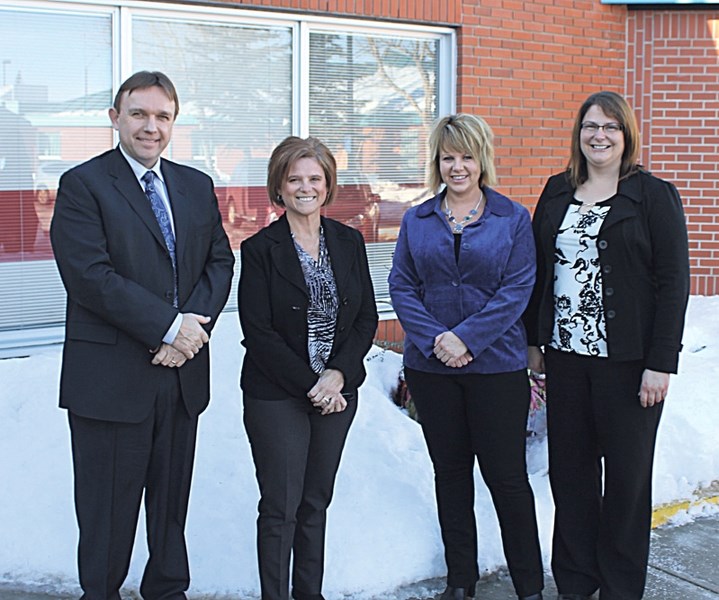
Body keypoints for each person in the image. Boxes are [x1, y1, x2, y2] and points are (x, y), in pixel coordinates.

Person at [50, 71, 235, 600]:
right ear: (115, 118)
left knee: (170, 511)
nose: (150, 127)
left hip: (180, 378)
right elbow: (90, 277)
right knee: (107, 515)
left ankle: (167, 592)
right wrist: (168, 326)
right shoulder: (83, 185)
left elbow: (218, 263)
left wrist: (189, 332)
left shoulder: (195, 185)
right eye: (139, 114)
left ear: (173, 123)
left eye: (162, 116)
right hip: (111, 381)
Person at [523, 91, 690, 600]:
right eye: (591, 126)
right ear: (579, 133)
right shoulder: (556, 191)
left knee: (626, 482)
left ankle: (619, 586)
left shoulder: (653, 195)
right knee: (571, 477)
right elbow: (537, 273)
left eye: (611, 127)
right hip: (566, 359)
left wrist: (660, 363)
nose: (599, 135)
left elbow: (673, 282)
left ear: (626, 136)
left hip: (630, 364)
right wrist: (534, 343)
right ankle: (576, 581)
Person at [389, 114, 544, 600]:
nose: (457, 167)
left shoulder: (512, 218)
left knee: (507, 480)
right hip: (431, 371)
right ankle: (461, 581)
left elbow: (517, 288)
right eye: (447, 157)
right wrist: (437, 338)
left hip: (496, 368)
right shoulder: (417, 220)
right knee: (451, 476)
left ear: (482, 161)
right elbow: (402, 285)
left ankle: (530, 587)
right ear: (437, 162)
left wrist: (467, 339)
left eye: (467, 157)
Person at [238, 136, 378, 600]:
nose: (305, 187)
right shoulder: (260, 249)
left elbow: (365, 318)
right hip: (277, 395)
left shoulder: (349, 240)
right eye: (294, 179)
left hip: (337, 392)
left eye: (314, 178)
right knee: (281, 507)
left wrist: (337, 374)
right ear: (278, 186)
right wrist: (314, 385)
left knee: (316, 501)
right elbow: (258, 333)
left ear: (328, 184)